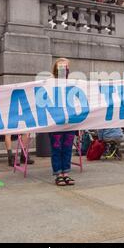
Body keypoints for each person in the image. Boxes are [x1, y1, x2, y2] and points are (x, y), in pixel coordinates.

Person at [49, 58, 77, 186]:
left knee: (67, 148)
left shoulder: (72, 84)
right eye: (62, 67)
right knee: (56, 148)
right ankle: (58, 174)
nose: (65, 70)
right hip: (56, 121)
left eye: (66, 67)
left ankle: (66, 172)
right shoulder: (50, 83)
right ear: (56, 69)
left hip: (69, 121)